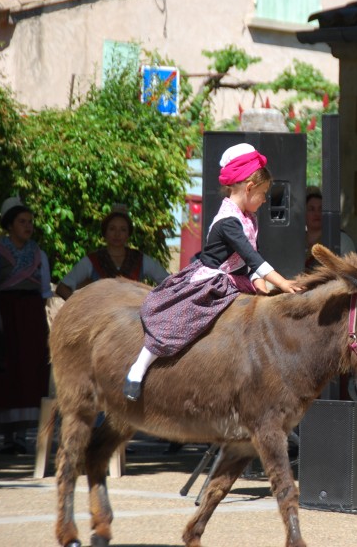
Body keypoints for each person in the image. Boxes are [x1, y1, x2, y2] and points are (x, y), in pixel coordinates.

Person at [123, 143, 305, 401]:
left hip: (238, 280)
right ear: (249, 188)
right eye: (263, 193)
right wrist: (282, 282)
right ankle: (139, 367)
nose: (265, 200)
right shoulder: (228, 221)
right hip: (211, 281)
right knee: (178, 321)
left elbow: (251, 258)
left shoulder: (249, 218)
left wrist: (262, 288)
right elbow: (253, 257)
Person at [0, 197, 52, 454]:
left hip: (30, 319)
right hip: (4, 317)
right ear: (10, 225)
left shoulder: (39, 255)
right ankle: (6, 437)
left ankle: (21, 436)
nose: (28, 226)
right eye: (22, 222)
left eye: (30, 222)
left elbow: (44, 292)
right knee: (7, 371)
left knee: (30, 370)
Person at [55, 205, 169, 300]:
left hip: (132, 321)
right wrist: (81, 310)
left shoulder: (140, 259)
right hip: (100, 321)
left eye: (123, 229)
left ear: (128, 234)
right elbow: (63, 288)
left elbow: (168, 282)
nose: (117, 234)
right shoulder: (92, 260)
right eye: (112, 229)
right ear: (105, 232)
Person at [303, 186, 356, 271]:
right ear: (304, 214)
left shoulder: (342, 240)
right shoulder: (296, 242)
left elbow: (351, 273)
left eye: (321, 209)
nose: (317, 213)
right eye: (311, 209)